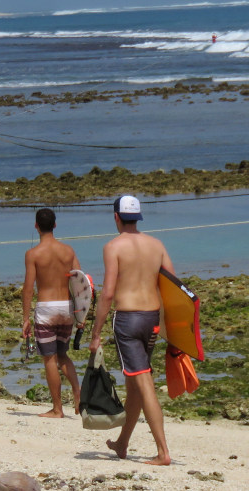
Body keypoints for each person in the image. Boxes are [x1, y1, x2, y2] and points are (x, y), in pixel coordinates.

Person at [89, 196, 171, 466]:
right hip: (152, 319)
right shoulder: (156, 245)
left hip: (127, 319)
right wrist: (174, 330)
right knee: (135, 381)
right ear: (138, 218)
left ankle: (162, 452)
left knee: (143, 381)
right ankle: (122, 443)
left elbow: (108, 293)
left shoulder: (113, 247)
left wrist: (95, 332)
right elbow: (174, 287)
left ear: (116, 217)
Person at [22, 208, 82, 418]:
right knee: (63, 356)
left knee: (49, 359)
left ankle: (57, 409)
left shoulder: (33, 254)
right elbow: (81, 283)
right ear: (55, 225)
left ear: (36, 226)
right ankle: (78, 396)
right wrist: (80, 314)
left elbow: (28, 288)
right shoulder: (68, 251)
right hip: (66, 307)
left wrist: (25, 318)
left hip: (46, 308)